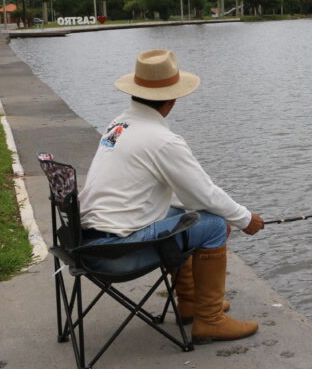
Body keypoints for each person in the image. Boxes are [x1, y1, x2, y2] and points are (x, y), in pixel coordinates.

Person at [78, 48, 264, 343]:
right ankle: (210, 320)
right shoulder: (163, 140)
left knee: (190, 217)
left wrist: (214, 212)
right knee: (215, 224)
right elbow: (205, 193)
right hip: (117, 254)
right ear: (173, 98)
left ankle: (191, 303)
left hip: (87, 244)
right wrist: (244, 219)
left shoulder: (118, 125)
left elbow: (188, 198)